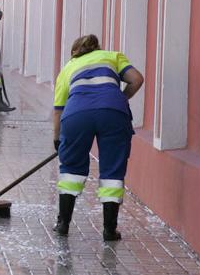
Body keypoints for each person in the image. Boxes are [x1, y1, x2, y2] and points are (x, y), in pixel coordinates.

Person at [52, 34, 144, 240]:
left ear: (74, 52)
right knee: (112, 170)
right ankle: (109, 230)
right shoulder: (112, 56)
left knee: (71, 170)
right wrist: (120, 98)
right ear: (97, 48)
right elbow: (137, 79)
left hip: (77, 114)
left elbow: (58, 110)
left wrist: (57, 139)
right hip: (114, 113)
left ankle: (63, 224)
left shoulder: (68, 68)